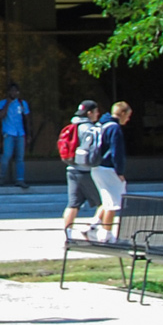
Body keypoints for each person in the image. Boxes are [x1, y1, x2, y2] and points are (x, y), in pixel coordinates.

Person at [60, 100, 105, 237]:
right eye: (96, 112)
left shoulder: (72, 126)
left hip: (71, 170)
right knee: (105, 202)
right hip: (86, 171)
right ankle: (92, 229)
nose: (98, 114)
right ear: (90, 113)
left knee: (73, 204)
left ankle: (67, 234)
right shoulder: (90, 128)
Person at [92, 102, 132, 239]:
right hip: (108, 168)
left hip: (96, 166)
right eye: (127, 115)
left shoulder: (101, 124)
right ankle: (106, 234)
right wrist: (120, 172)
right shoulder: (115, 128)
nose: (128, 119)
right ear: (122, 114)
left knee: (106, 199)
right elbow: (117, 153)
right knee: (113, 203)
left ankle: (93, 225)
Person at [0, 82, 30, 187]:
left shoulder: (22, 103)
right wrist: (8, 103)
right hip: (9, 133)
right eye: (11, 91)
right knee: (7, 156)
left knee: (20, 157)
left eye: (15, 91)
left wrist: (28, 134)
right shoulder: (2, 103)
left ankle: (20, 179)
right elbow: (1, 115)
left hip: (20, 133)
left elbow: (27, 119)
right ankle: (1, 177)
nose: (13, 93)